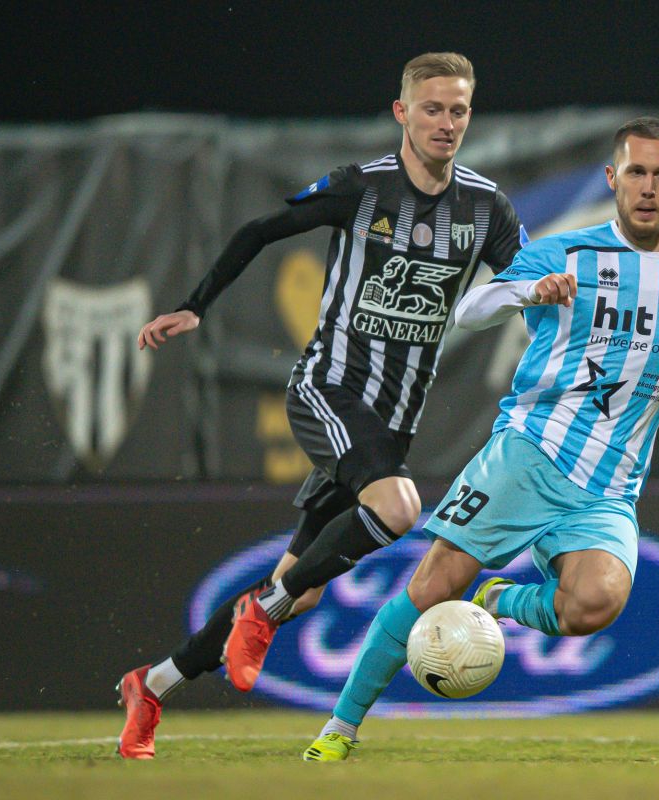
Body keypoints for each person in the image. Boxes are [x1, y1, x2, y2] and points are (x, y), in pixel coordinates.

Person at [116, 52, 525, 759]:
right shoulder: (362, 188)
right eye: (432, 108)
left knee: (300, 588)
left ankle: (151, 685)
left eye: (458, 110)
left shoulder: (486, 207)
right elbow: (259, 231)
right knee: (398, 507)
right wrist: (194, 306)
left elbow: (531, 280)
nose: (446, 122)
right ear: (402, 112)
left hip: (392, 422)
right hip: (328, 389)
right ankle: (263, 613)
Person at [297, 116, 659, 762]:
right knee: (433, 586)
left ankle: (501, 599)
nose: (647, 186)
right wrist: (528, 289)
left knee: (595, 603)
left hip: (610, 487)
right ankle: (340, 728)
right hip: (527, 455)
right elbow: (468, 310)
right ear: (612, 178)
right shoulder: (566, 253)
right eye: (635, 171)